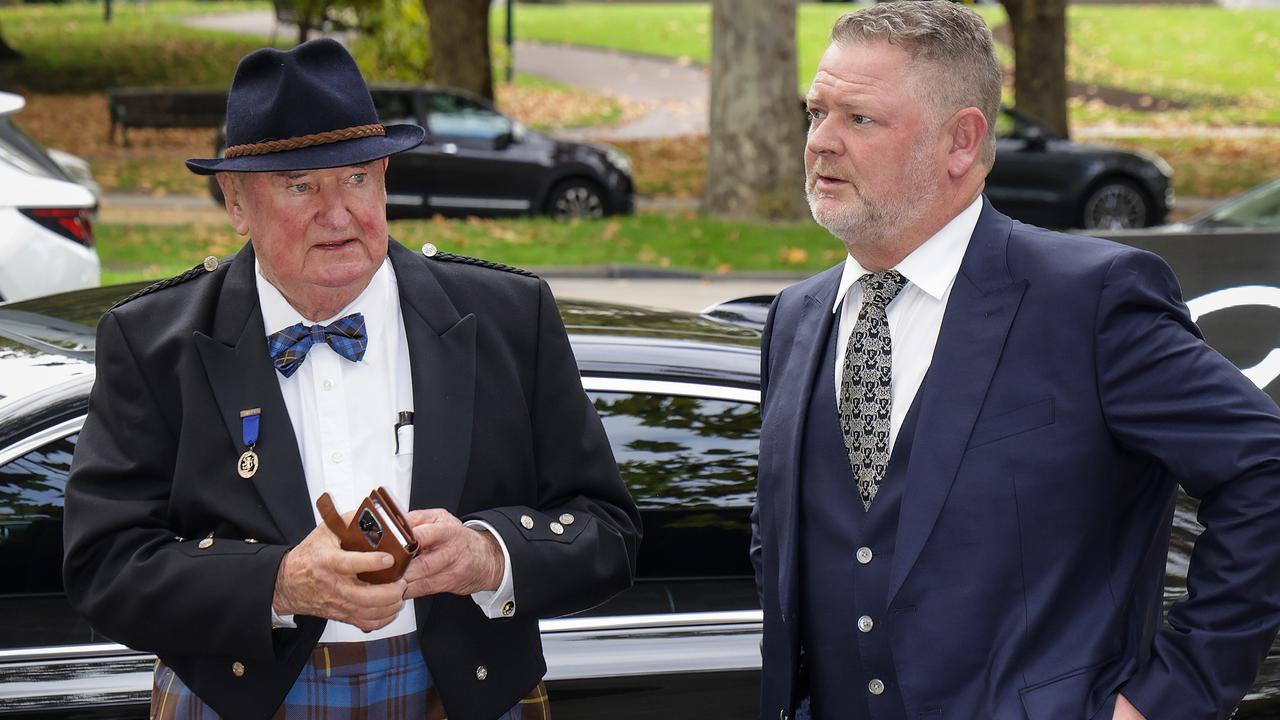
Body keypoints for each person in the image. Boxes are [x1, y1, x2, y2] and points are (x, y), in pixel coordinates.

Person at [63, 38, 640, 720]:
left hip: (464, 694)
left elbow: (608, 532)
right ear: (237, 202)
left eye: (357, 178)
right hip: (238, 697)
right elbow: (104, 565)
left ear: (386, 176)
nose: (337, 214)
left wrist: (491, 556)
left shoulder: (509, 317)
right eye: (300, 185)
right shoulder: (152, 341)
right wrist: (279, 584)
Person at [750, 3, 1280, 720]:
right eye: (816, 112)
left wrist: (1170, 696)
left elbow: (1264, 473)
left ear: (961, 142)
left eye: (859, 119)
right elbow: (790, 543)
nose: (820, 143)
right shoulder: (796, 319)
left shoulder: (1089, 300)